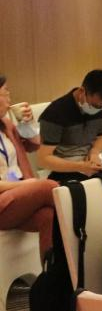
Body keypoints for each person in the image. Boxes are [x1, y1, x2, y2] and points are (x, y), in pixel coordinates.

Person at [0, 74, 58, 260]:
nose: (9, 98)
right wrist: (25, 185)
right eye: (5, 93)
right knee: (49, 187)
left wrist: (27, 124)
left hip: (16, 196)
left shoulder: (5, 124)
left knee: (48, 216)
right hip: (7, 195)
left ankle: (51, 272)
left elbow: (34, 145)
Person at [38, 70, 102, 183]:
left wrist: (94, 153)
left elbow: (100, 137)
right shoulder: (55, 113)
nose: (98, 109)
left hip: (89, 168)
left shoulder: (98, 108)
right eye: (95, 105)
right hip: (62, 172)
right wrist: (80, 166)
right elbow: (44, 159)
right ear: (82, 91)